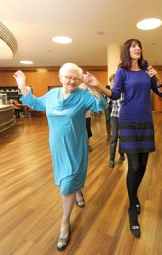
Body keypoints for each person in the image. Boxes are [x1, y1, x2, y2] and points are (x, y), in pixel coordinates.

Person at [13, 63, 107, 251]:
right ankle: (78, 191)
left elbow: (101, 106)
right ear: (60, 77)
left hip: (75, 146)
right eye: (67, 77)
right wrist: (23, 85)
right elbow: (35, 103)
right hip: (57, 147)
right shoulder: (52, 95)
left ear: (80, 79)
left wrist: (94, 86)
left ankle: (64, 224)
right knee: (68, 181)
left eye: (75, 78)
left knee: (66, 185)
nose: (71, 81)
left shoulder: (83, 96)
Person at [82, 38, 162, 238]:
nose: (137, 48)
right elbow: (115, 94)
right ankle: (131, 206)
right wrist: (97, 85)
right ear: (127, 51)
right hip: (128, 122)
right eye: (133, 46)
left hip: (146, 123)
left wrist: (158, 76)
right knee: (134, 166)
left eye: (139, 45)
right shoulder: (122, 72)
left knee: (144, 165)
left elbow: (161, 93)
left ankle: (134, 194)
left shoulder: (147, 72)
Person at [109, 75, 125, 168]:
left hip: (124, 117)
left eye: (114, 81)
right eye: (111, 82)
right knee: (114, 137)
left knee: (122, 137)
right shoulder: (110, 92)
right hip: (114, 116)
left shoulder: (124, 91)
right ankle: (111, 159)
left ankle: (121, 153)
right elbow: (107, 104)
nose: (113, 83)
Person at [104, 74, 115, 141]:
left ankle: (115, 133)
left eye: (115, 81)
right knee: (108, 119)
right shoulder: (107, 87)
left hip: (115, 106)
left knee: (115, 120)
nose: (113, 82)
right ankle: (108, 134)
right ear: (110, 81)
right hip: (107, 105)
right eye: (112, 81)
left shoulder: (117, 87)